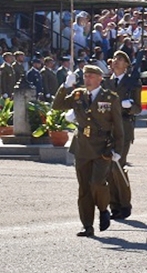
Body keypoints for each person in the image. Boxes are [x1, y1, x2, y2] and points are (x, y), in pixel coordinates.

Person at [54, 64, 123, 237]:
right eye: (85, 76)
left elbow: (118, 127)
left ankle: (103, 208)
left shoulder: (110, 98)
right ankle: (87, 225)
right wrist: (65, 86)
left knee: (97, 183)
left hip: (102, 147)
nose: (88, 79)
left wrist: (118, 150)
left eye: (91, 76)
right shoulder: (78, 95)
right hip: (82, 147)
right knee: (84, 188)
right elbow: (58, 105)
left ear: (100, 79)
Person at [103, 50, 139, 219]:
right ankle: (114, 205)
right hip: (108, 128)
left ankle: (125, 204)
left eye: (120, 60)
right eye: (115, 59)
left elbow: (138, 108)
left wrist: (129, 106)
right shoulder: (106, 83)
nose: (116, 62)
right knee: (108, 169)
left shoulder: (132, 83)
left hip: (124, 127)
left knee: (119, 166)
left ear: (126, 65)